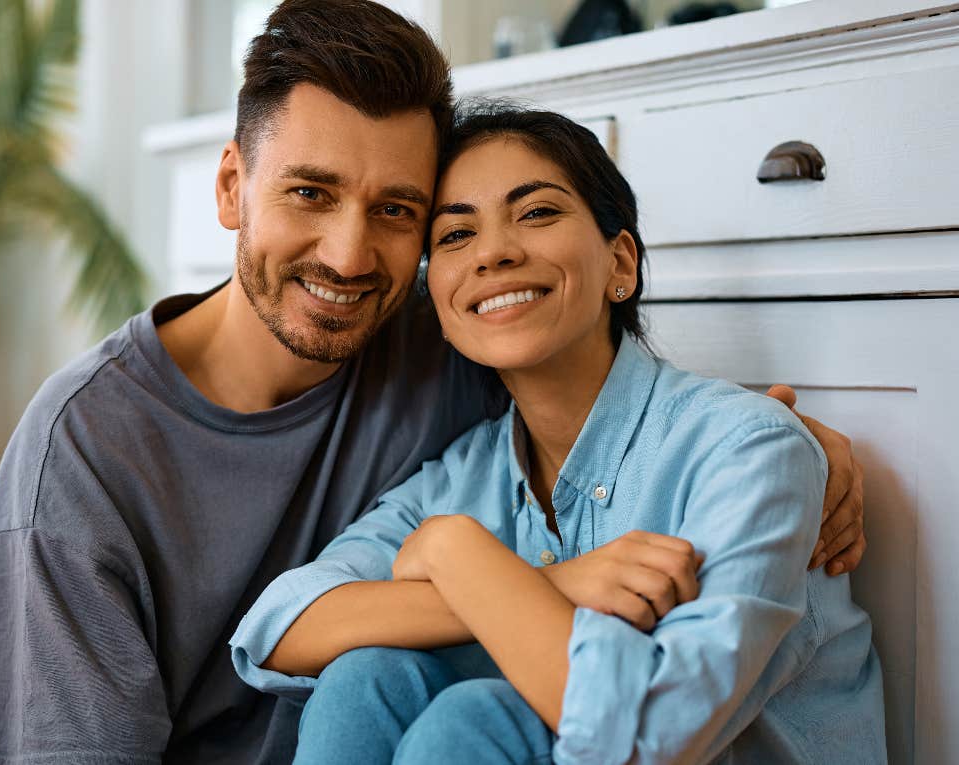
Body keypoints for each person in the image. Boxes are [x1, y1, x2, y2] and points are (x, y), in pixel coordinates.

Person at [0, 2, 867, 763]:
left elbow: (617, 389)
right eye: (309, 192)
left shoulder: (446, 336)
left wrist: (792, 442)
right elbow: (270, 631)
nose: (349, 256)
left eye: (397, 212)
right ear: (232, 188)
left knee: (448, 711)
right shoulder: (83, 457)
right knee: (376, 684)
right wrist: (549, 579)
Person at [230, 105, 887, 764]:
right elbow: (277, 626)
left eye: (537, 212)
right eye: (456, 234)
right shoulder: (465, 473)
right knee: (363, 680)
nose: (494, 252)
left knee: (474, 719)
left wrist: (451, 549)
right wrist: (557, 583)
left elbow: (650, 738)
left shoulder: (747, 450)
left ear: (620, 262)